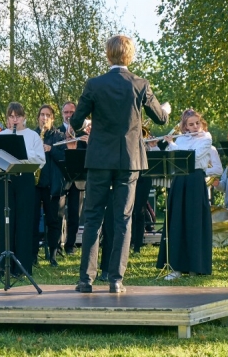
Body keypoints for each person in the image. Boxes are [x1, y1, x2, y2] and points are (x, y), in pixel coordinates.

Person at [71, 34, 169, 293]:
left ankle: (86, 280)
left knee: (92, 218)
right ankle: (116, 280)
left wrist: (86, 123)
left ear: (108, 55)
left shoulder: (94, 84)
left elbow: (75, 122)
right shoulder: (140, 84)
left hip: (100, 159)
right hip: (129, 160)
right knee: (123, 219)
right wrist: (166, 110)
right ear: (130, 56)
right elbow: (160, 118)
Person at [0, 102, 45, 276]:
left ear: (24, 117)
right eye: (11, 116)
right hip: (5, 180)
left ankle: (22, 267)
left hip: (24, 180)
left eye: (18, 116)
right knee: (6, 222)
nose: (15, 120)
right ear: (7, 118)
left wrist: (21, 155)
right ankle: (3, 265)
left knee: (24, 222)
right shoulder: (1, 135)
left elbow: (40, 160)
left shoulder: (32, 136)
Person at [157, 109, 214, 280]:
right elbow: (172, 158)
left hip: (195, 180)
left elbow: (192, 158)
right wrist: (169, 144)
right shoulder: (181, 138)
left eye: (197, 123)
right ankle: (176, 267)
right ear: (185, 126)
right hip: (179, 180)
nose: (195, 126)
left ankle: (196, 266)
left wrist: (172, 145)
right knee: (177, 222)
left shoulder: (206, 138)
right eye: (191, 124)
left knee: (194, 222)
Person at [34, 105, 68, 267]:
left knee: (54, 221)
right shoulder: (32, 135)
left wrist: (50, 149)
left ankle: (53, 255)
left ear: (53, 118)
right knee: (32, 221)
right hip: (35, 185)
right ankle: (32, 255)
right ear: (38, 117)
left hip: (53, 186)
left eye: (48, 115)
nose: (45, 118)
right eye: (42, 115)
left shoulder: (59, 136)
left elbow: (64, 158)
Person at [60, 101, 83, 255]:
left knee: (75, 215)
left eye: (72, 113)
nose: (69, 116)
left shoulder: (85, 132)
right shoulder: (56, 132)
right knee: (58, 214)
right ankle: (56, 246)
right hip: (62, 178)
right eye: (66, 113)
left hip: (79, 180)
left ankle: (70, 245)